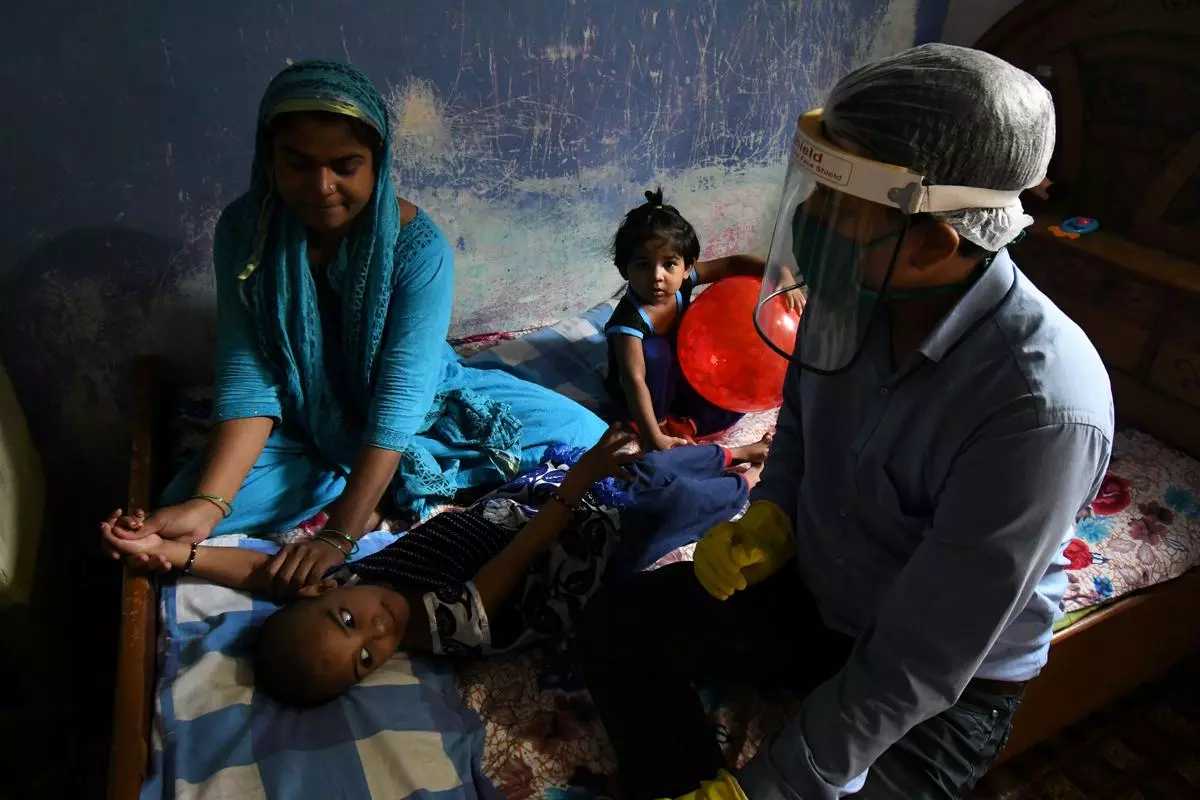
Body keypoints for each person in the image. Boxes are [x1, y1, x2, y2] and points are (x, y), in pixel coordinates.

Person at [575, 43, 1114, 800]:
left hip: (947, 688)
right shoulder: (855, 293)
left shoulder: (1040, 409)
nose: (806, 220)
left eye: (836, 203)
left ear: (931, 243)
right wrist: (774, 518)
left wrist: (772, 789)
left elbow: (918, 661)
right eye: (813, 189)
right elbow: (798, 426)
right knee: (615, 624)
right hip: (820, 592)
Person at [107, 61, 609, 582]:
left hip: (420, 410)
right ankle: (372, 481)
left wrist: (339, 535)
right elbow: (250, 374)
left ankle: (367, 486)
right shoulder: (244, 231)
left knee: (586, 436)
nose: (321, 186)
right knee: (178, 506)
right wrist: (209, 505)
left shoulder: (418, 249)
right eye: (297, 164)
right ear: (268, 157)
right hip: (305, 412)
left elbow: (401, 398)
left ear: (378, 163)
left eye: (345, 165)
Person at [103, 429, 757, 707]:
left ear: (319, 595)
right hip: (579, 549)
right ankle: (752, 477)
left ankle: (740, 449)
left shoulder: (345, 584)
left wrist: (175, 555)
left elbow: (262, 571)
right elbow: (522, 556)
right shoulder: (446, 627)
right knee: (666, 497)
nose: (375, 631)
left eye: (347, 620)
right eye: (365, 659)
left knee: (658, 464)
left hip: (529, 510)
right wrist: (577, 484)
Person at [603, 188, 800, 452]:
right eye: (642, 265)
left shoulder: (684, 281)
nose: (657, 276)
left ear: (687, 266)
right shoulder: (627, 323)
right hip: (643, 398)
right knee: (656, 351)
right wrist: (652, 437)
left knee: (735, 397)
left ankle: (688, 424)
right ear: (623, 270)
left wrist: (779, 271)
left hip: (684, 376)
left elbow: (731, 265)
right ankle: (661, 425)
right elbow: (634, 379)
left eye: (669, 264)